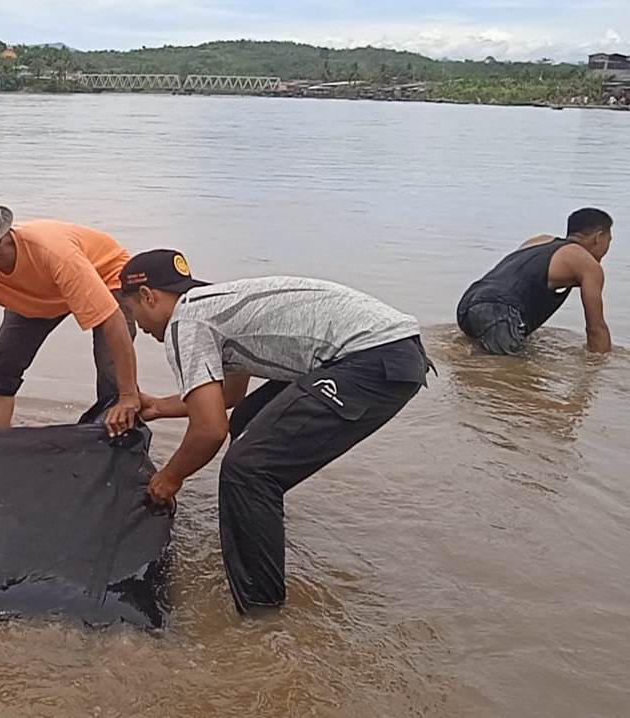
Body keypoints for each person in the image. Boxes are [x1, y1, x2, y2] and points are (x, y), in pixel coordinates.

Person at [121, 250, 430, 613]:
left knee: (249, 468)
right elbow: (231, 397)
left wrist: (168, 479)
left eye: (134, 314)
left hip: (370, 358)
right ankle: (260, 525)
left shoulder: (184, 323)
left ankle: (260, 613)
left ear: (147, 296)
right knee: (249, 423)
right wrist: (157, 406)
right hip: (390, 352)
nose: (139, 327)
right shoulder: (214, 306)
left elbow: (208, 431)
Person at [0, 185, 140, 436]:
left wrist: (129, 394)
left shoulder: (54, 254)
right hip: (36, 295)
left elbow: (113, 321)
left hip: (104, 276)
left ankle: (118, 447)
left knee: (115, 382)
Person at [457, 208, 613, 355]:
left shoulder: (540, 240)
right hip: (498, 311)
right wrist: (600, 371)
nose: (607, 248)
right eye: (609, 240)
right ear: (598, 238)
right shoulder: (587, 264)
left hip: (469, 302)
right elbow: (595, 328)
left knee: (485, 359)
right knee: (508, 376)